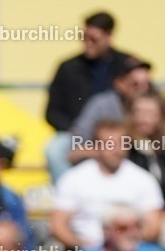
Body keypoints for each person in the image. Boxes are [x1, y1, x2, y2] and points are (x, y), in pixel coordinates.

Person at [44, 12, 133, 182]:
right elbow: (52, 112)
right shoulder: (68, 67)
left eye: (94, 39)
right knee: (55, 150)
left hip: (121, 132)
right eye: (84, 37)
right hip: (78, 133)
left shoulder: (126, 64)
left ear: (109, 37)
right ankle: (69, 195)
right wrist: (78, 131)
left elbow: (141, 101)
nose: (87, 43)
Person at [50, 120, 164, 250]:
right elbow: (58, 226)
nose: (115, 150)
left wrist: (127, 248)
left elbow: (153, 226)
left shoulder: (144, 179)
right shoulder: (73, 179)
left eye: (121, 143)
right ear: (95, 147)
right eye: (109, 144)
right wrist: (84, 247)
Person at [66, 56, 152, 167]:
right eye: (135, 84)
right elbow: (78, 142)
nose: (143, 90)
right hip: (106, 165)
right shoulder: (101, 105)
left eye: (147, 84)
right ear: (119, 84)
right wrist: (108, 149)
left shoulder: (154, 103)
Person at [125, 93, 165, 197]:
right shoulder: (123, 148)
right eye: (139, 113)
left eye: (151, 113)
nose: (145, 120)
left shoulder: (161, 149)